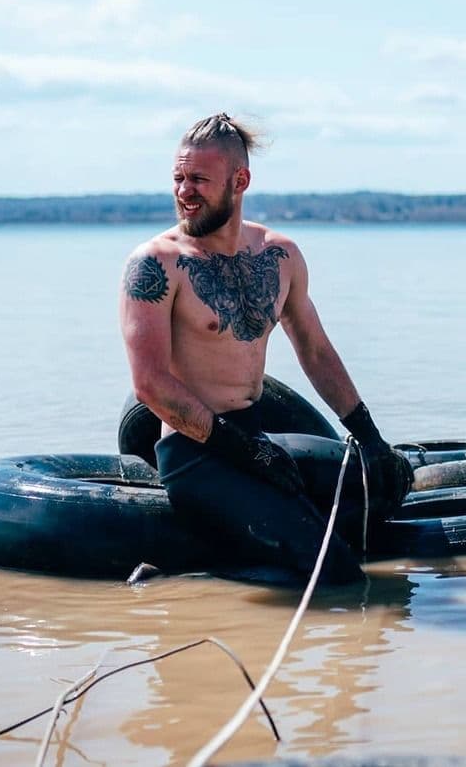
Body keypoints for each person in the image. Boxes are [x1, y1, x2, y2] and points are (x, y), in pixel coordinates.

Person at [118, 112, 412, 585]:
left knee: (381, 484)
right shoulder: (156, 265)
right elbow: (150, 384)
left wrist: (370, 436)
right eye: (178, 178)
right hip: (197, 454)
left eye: (198, 180)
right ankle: (178, 579)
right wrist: (246, 452)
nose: (184, 191)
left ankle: (226, 557)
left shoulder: (280, 255)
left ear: (240, 181)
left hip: (258, 436)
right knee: (337, 578)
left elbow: (315, 350)